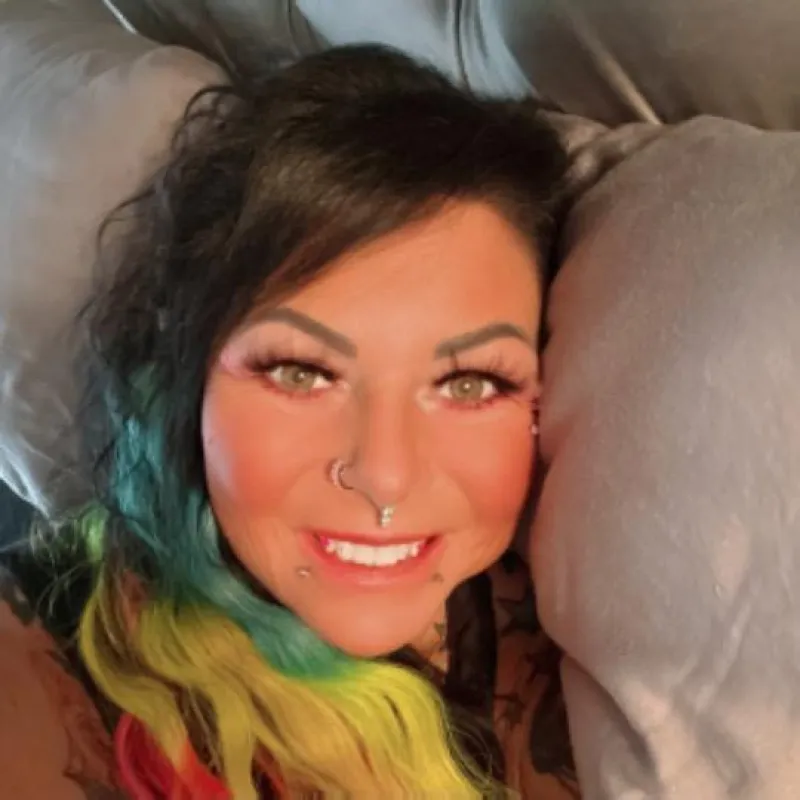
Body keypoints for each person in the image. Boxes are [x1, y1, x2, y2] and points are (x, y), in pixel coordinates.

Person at [1, 45, 575, 798]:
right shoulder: (37, 674)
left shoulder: (574, 615)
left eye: (470, 383)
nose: (385, 476)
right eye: (301, 373)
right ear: (186, 376)